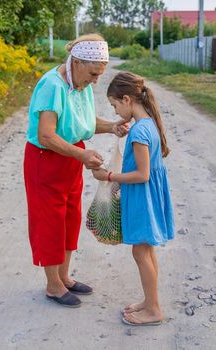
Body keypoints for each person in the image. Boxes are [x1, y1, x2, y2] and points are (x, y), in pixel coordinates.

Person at [23, 34, 128, 308]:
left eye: (99, 75)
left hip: (70, 158)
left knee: (70, 215)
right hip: (46, 159)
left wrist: (112, 126)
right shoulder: (51, 85)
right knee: (50, 221)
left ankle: (64, 277)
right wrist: (82, 154)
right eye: (93, 74)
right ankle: (53, 286)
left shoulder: (79, 84)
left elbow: (84, 120)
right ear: (78, 62)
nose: (95, 81)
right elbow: (45, 135)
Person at [92, 72, 175, 325]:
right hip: (148, 196)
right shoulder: (148, 123)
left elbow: (141, 174)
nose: (116, 112)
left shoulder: (139, 132)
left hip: (142, 199)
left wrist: (108, 176)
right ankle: (151, 302)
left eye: (115, 106)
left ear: (127, 99)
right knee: (146, 250)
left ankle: (154, 311)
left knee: (140, 252)